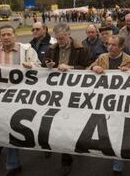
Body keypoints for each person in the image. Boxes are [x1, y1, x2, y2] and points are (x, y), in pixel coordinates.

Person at [0, 25, 40, 175]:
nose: (6, 37)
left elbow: (40, 67)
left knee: (14, 129)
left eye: (9, 34)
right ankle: (8, 162)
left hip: (22, 97)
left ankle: (12, 164)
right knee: (3, 128)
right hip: (1, 98)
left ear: (15, 36)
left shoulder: (27, 50)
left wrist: (31, 65)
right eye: (3, 35)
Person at [43, 23, 91, 175]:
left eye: (62, 38)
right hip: (56, 93)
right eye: (57, 38)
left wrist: (71, 68)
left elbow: (88, 67)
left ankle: (72, 152)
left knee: (72, 125)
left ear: (69, 35)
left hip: (75, 93)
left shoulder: (82, 49)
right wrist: (49, 65)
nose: (59, 41)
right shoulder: (52, 49)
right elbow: (44, 65)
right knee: (59, 124)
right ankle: (64, 157)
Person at [89, 35, 130, 173]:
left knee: (118, 132)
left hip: (122, 102)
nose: (110, 47)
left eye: (114, 45)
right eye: (108, 44)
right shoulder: (102, 57)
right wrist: (94, 68)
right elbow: (87, 70)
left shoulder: (129, 60)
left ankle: (118, 164)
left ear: (121, 47)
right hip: (104, 101)